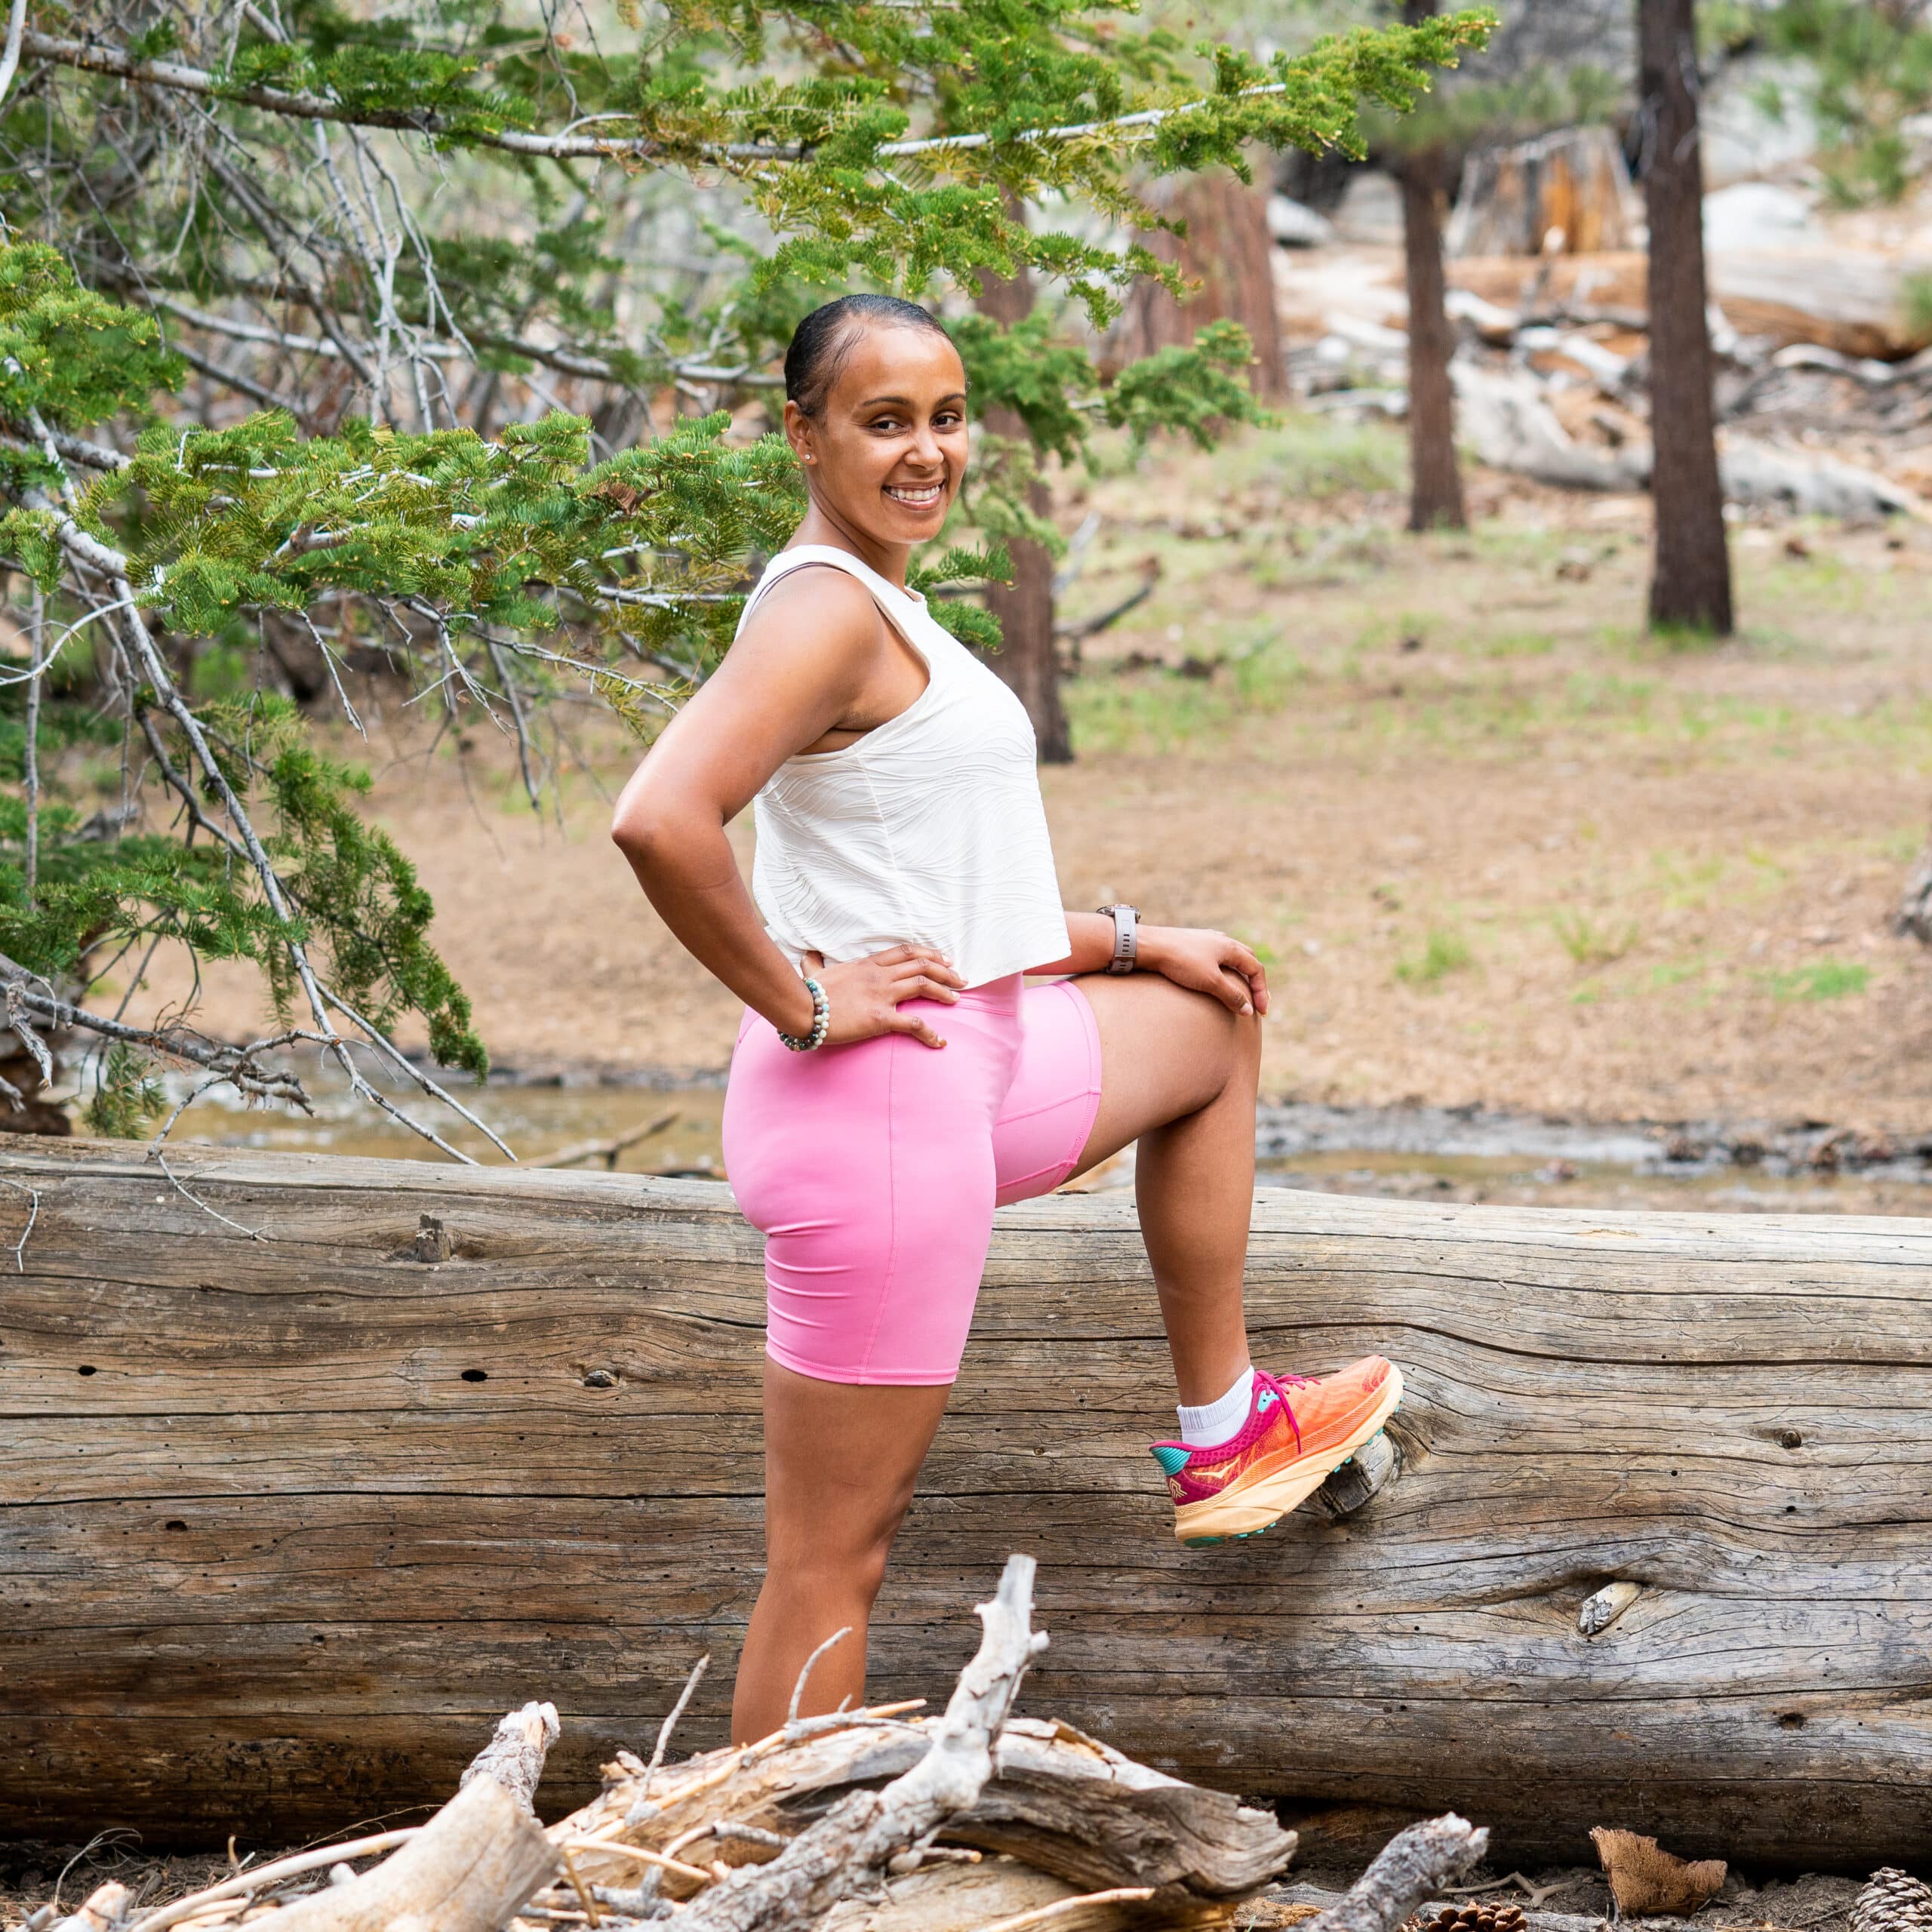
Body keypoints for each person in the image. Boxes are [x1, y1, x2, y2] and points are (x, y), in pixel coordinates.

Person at [610, 293, 1402, 1745]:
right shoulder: (820, 608)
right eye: (884, 421)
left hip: (973, 1060)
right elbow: (661, 819)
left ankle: (1226, 1427)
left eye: (948, 417)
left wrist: (1129, 937)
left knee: (1209, 1027)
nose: (927, 452)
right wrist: (802, 999)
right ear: (803, 434)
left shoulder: (883, 599)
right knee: (834, 1556)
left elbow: (936, 874)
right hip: (874, 1114)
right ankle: (757, 1876)